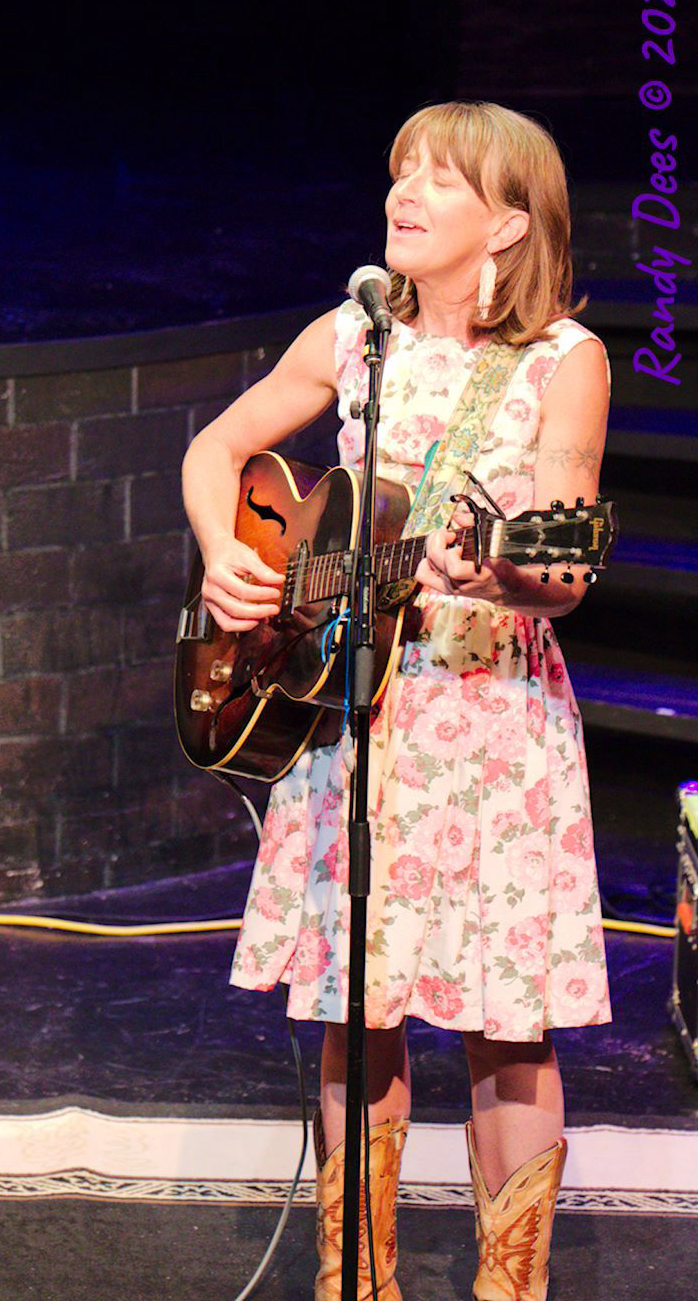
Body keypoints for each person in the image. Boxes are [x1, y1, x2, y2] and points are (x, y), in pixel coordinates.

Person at [182, 102, 610, 1301]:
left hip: (491, 725)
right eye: (399, 172)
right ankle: (352, 1280)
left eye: (440, 179)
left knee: (503, 1025)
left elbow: (564, 572)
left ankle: (507, 1287)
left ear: (510, 224)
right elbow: (216, 449)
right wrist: (225, 553)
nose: (403, 193)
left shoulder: (563, 362)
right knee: (354, 1006)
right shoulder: (354, 337)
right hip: (360, 717)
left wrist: (501, 566)